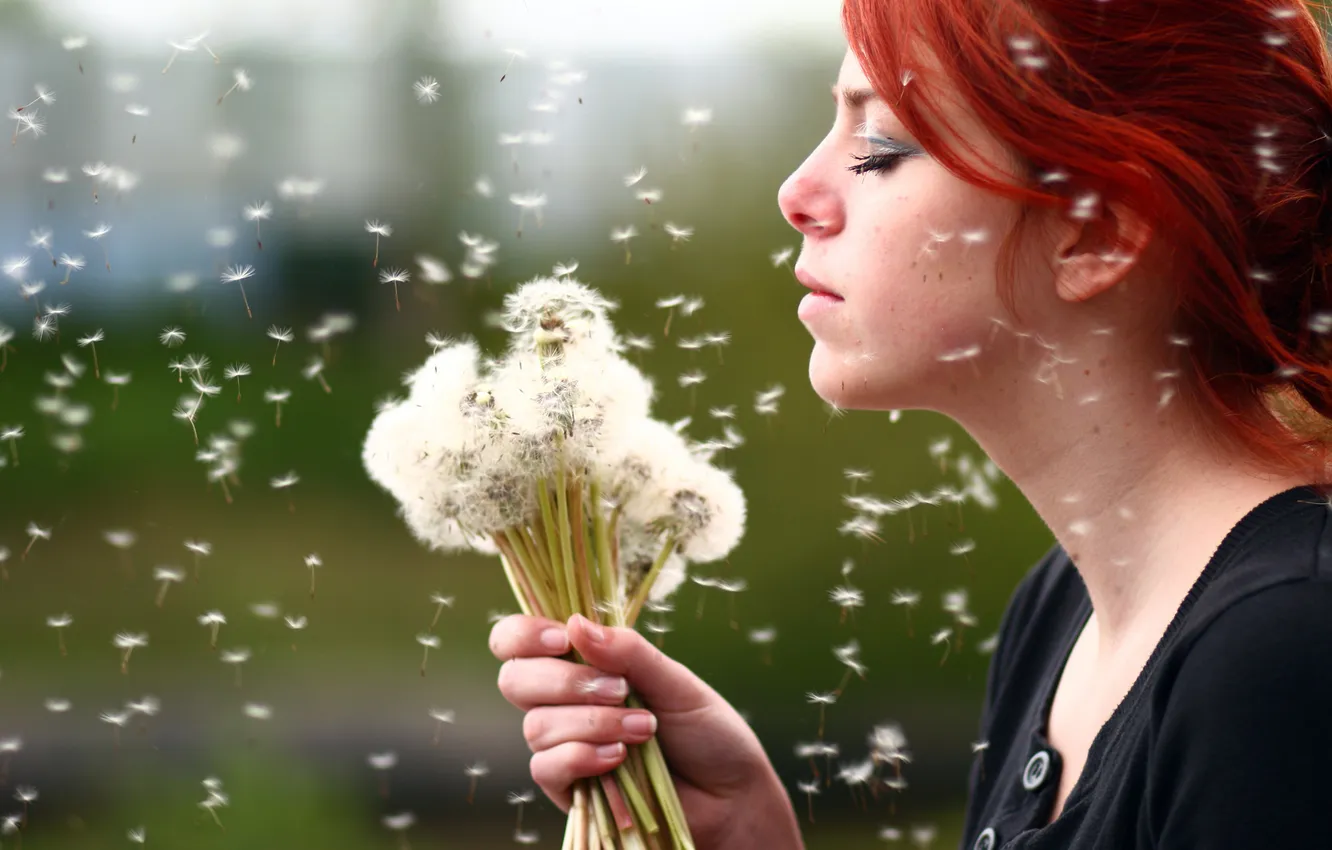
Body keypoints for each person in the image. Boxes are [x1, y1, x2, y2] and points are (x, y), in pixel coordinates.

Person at [489, 0, 1332, 847]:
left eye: (883, 145)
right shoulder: (1065, 609)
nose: (798, 193)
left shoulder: (1281, 658)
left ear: (1096, 234)